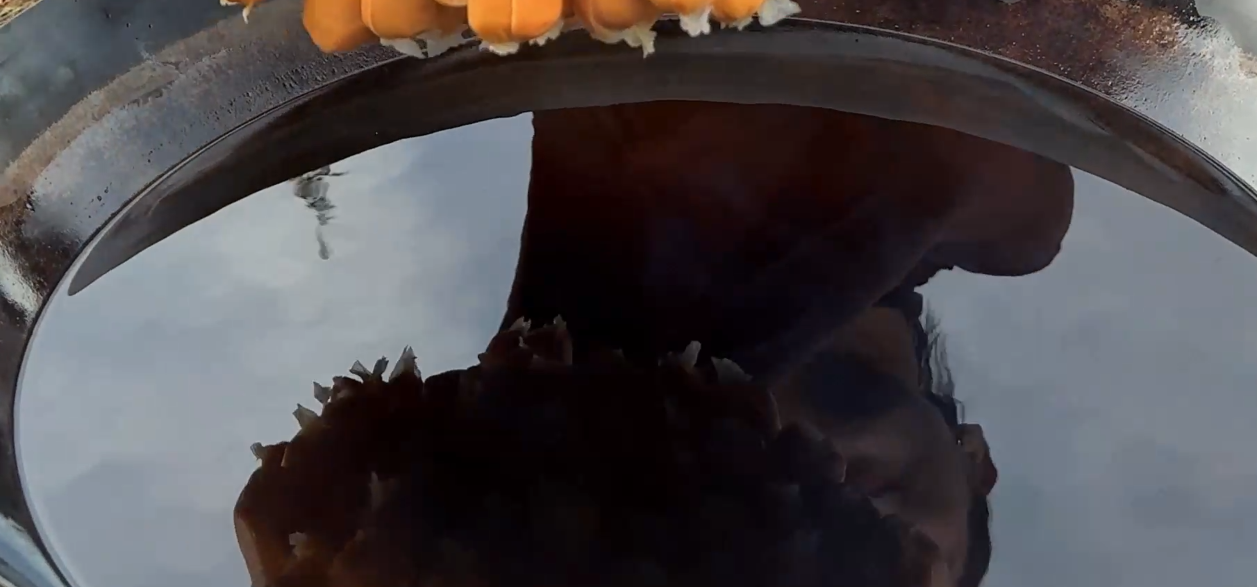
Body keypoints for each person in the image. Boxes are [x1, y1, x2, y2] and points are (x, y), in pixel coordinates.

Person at [233, 101, 1076, 585]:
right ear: (975, 465)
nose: (867, 522)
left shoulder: (547, 338)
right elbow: (980, 160)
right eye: (913, 560)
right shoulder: (1013, 224)